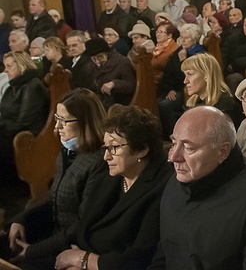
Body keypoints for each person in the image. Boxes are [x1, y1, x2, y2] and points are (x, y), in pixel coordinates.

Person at [29, 106, 173, 269]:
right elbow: (82, 227)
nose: (106, 156)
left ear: (142, 150)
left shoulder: (161, 189)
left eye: (114, 148)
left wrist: (83, 260)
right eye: (105, 148)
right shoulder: (109, 177)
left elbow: (139, 257)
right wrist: (30, 252)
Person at [150, 106, 246, 268]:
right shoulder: (178, 180)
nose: (174, 157)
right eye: (174, 143)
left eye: (189, 148)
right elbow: (164, 254)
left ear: (222, 151)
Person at [9, 89, 107, 267]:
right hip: (55, 235)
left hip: (74, 246)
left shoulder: (100, 162)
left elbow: (82, 224)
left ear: (85, 122)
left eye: (64, 121)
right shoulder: (68, 152)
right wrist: (21, 219)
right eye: (57, 118)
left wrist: (32, 251)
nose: (56, 127)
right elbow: (52, 199)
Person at [1, 51, 50, 179]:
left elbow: (24, 121)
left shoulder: (32, 86)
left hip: (26, 135)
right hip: (11, 131)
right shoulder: (13, 86)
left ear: (22, 66)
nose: (5, 70)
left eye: (9, 66)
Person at [176, 52, 243, 131]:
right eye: (185, 75)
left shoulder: (225, 106)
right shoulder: (192, 104)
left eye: (190, 74)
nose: (185, 81)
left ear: (206, 75)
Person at [85, 37, 136, 107]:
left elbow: (131, 85)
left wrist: (114, 83)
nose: (97, 62)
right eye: (94, 59)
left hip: (120, 104)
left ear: (107, 53)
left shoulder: (122, 62)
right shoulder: (90, 66)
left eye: (100, 57)